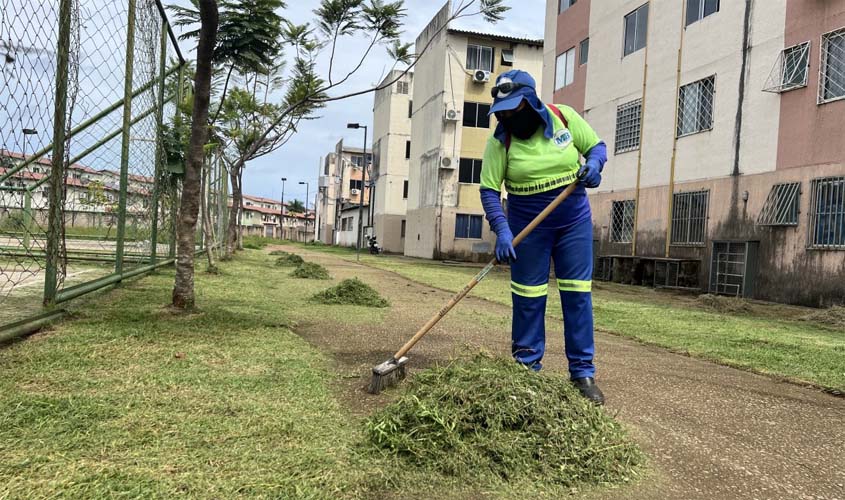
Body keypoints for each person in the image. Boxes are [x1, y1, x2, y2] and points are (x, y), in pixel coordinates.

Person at [479, 69, 608, 404]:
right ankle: (526, 369)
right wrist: (502, 228)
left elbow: (596, 147)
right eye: (502, 112)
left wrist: (594, 166)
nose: (507, 117)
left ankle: (582, 373)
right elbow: (490, 190)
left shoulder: (563, 118)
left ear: (531, 101)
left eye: (513, 109)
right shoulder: (500, 140)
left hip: (572, 222)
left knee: (577, 296)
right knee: (528, 297)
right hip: (527, 227)